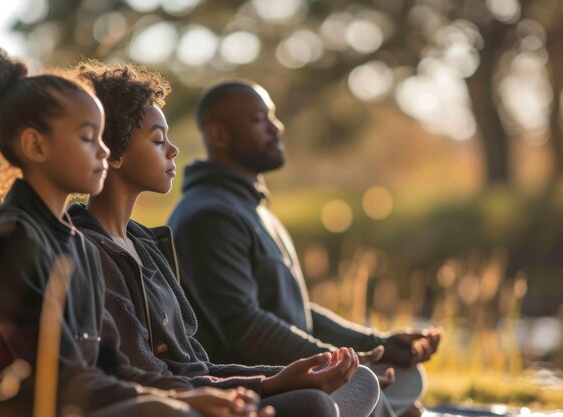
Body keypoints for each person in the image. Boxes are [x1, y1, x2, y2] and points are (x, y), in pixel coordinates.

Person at [0, 47, 270, 417]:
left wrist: (218, 393)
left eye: (103, 137)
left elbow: (112, 367)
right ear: (36, 145)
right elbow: (53, 377)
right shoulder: (9, 235)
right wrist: (178, 401)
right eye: (88, 138)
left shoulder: (76, 243)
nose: (104, 151)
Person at [68, 60, 380, 417]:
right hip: (167, 407)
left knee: (359, 381)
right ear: (114, 153)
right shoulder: (90, 250)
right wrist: (270, 385)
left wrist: (281, 376)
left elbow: (197, 366)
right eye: (157, 140)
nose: (173, 150)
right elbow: (149, 379)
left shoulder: (147, 247)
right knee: (314, 404)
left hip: (201, 390)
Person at [167, 80, 443, 417]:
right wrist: (338, 364)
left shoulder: (250, 208)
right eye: (259, 120)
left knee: (408, 377)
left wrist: (374, 343)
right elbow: (245, 326)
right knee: (385, 393)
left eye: (273, 117)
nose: (276, 127)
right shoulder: (209, 216)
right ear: (219, 135)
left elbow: (295, 310)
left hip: (304, 373)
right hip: (263, 385)